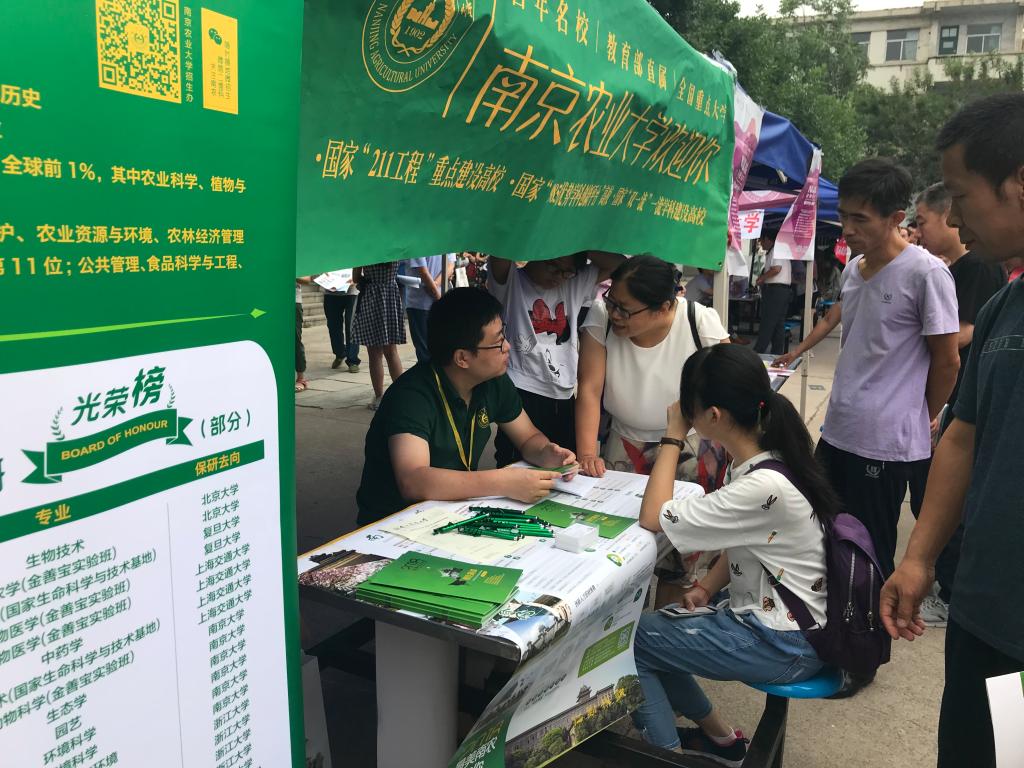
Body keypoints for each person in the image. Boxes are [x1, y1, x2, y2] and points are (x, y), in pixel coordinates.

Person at [881, 94, 1024, 768]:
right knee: (979, 754)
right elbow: (962, 436)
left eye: (962, 196)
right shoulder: (1003, 308)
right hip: (985, 613)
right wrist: (919, 557)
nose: (955, 217)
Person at [632, 344, 835, 765]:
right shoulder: (767, 458)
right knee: (657, 633)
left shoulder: (760, 485)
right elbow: (752, 539)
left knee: (629, 644)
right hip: (791, 627)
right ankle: (721, 740)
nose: (683, 413)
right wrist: (706, 588)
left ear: (713, 416)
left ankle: (664, 757)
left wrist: (673, 436)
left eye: (688, 408)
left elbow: (652, 516)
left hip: (784, 642)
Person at [355, 288, 577, 526]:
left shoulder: (493, 381)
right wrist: (503, 481)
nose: (507, 347)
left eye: (504, 335)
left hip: (452, 512)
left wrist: (547, 452)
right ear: (462, 358)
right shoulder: (411, 396)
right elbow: (414, 481)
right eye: (498, 343)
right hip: (396, 523)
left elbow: (528, 437)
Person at [912, 183, 1006, 626]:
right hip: (957, 400)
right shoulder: (962, 270)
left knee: (950, 499)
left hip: (960, 396)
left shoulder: (979, 268)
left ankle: (948, 592)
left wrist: (922, 335)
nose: (922, 231)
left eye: (922, 221)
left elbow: (960, 335)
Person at [576, 255, 730, 482]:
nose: (615, 314)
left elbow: (732, 383)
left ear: (663, 308)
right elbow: (589, 388)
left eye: (625, 310)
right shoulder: (602, 316)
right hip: (624, 443)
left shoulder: (697, 320)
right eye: (611, 302)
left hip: (691, 443)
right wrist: (588, 454)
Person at [487, 251, 624, 466]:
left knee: (565, 464)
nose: (559, 276)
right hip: (521, 391)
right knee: (516, 464)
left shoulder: (574, 283)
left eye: (567, 271)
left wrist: (577, 244)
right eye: (553, 267)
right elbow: (499, 252)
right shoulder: (512, 282)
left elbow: (619, 264)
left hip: (563, 394)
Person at [352, 261, 406, 410]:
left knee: (374, 353)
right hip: (390, 295)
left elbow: (355, 278)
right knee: (392, 351)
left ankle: (379, 397)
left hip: (371, 297)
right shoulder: (393, 252)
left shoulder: (364, 252)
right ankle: (401, 397)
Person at [405, 254, 453, 363]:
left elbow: (423, 272)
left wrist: (434, 289)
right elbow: (450, 265)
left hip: (419, 303)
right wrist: (438, 291)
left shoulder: (418, 243)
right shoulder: (449, 242)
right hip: (435, 300)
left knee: (425, 350)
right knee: (438, 347)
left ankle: (429, 373)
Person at [753, 233, 793, 355]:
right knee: (777, 324)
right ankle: (777, 352)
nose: (760, 244)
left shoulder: (777, 249)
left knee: (768, 322)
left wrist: (762, 278)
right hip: (781, 290)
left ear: (767, 238)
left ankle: (758, 351)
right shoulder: (776, 250)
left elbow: (776, 269)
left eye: (761, 241)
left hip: (776, 290)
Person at [321, 271, 361, 373]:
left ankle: (353, 360)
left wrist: (355, 279)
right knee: (333, 326)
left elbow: (361, 269)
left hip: (351, 292)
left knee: (351, 326)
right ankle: (339, 353)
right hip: (330, 293)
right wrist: (323, 277)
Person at [295, 276, 312, 392]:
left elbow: (306, 279)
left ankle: (301, 378)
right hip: (272, 300)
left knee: (295, 339)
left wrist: (287, 273)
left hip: (293, 302)